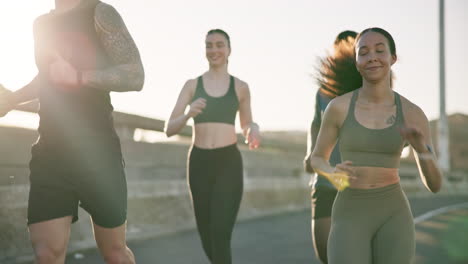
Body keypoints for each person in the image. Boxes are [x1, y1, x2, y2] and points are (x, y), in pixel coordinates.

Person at [0, 0, 144, 263]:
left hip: (98, 153)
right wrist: (12, 100)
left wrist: (79, 77)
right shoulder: (41, 24)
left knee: (114, 252)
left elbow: (135, 75)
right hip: (51, 154)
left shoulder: (100, 13)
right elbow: (47, 76)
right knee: (47, 255)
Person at [309, 27, 442, 264]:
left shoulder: (412, 113)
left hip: (393, 213)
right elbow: (317, 158)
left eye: (380, 50)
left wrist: (422, 151)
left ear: (393, 58)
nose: (372, 57)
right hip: (349, 212)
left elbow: (435, 185)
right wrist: (332, 173)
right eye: (364, 52)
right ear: (357, 61)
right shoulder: (338, 108)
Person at [165, 29, 261, 264]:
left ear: (229, 50)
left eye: (219, 45)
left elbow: (247, 122)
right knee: (206, 234)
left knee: (220, 231)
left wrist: (253, 129)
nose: (214, 50)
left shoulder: (240, 87)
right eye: (209, 45)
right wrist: (188, 114)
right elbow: (169, 128)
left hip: (227, 162)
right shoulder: (191, 85)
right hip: (199, 162)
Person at [304, 30, 361, 264]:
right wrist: (310, 154)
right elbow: (315, 125)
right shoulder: (322, 92)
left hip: (356, 182)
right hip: (326, 180)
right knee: (326, 257)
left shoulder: (367, 89)